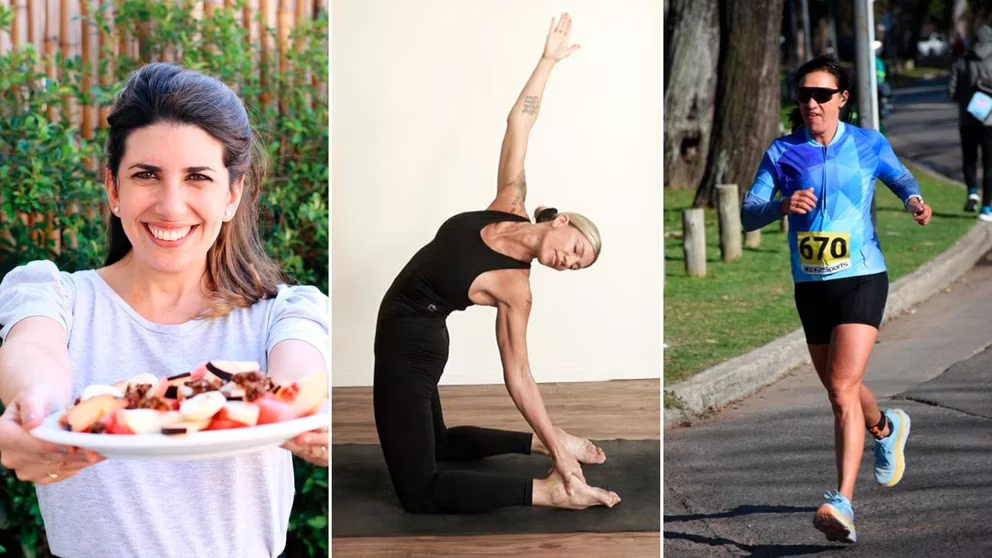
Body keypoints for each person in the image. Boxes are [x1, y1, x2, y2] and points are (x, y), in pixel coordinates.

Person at [0, 63, 329, 558]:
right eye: (146, 175)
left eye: (197, 177)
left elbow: (296, 381)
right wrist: (38, 406)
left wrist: (306, 417)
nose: (171, 206)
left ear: (232, 195)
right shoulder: (55, 297)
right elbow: (34, 351)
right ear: (113, 190)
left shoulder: (282, 314)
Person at [371, 13, 620, 515]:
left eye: (577, 267)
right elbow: (520, 122)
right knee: (436, 443)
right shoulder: (509, 200)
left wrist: (554, 452)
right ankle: (544, 446)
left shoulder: (515, 290)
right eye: (576, 251)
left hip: (413, 342)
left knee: (419, 491)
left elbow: (520, 376)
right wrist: (547, 61)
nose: (568, 263)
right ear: (561, 221)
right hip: (398, 327)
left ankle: (544, 492)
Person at [742, 54, 932, 544]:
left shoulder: (867, 143)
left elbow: (900, 178)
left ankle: (841, 503)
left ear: (842, 99)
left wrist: (913, 201)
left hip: (862, 277)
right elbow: (747, 214)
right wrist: (780, 205)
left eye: (822, 95)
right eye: (804, 94)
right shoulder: (783, 151)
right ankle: (887, 428)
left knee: (843, 388)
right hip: (811, 285)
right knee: (838, 386)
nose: (811, 103)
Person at [949, 24, 992, 216]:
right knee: (990, 164)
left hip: (967, 119)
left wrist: (968, 97)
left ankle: (972, 191)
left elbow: (951, 92)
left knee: (969, 159)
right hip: (990, 121)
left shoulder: (962, 61)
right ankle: (987, 208)